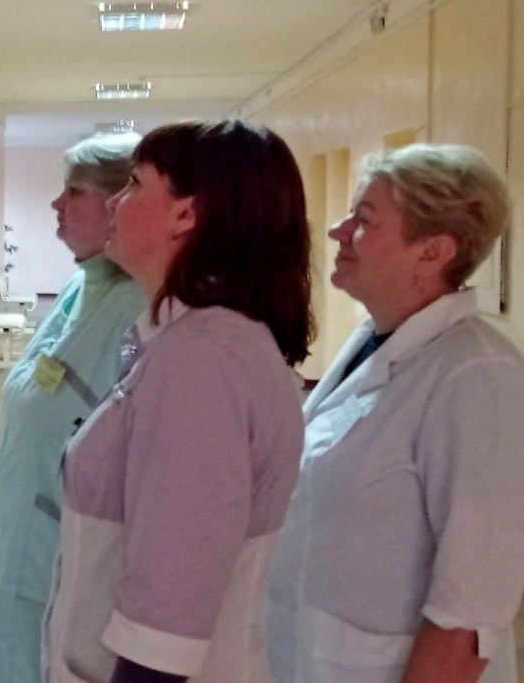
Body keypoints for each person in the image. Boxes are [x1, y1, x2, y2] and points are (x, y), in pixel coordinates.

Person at [43, 119, 314, 683]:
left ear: (187, 214)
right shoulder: (193, 341)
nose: (115, 202)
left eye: (135, 184)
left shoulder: (203, 359)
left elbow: (163, 630)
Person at [265, 143, 524, 683]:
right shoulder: (374, 342)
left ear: (433, 252)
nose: (337, 231)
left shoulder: (479, 377)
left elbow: (471, 610)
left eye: (363, 220)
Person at [0, 133, 146, 682]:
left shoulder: (139, 311)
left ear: (119, 205)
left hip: (59, 559)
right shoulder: (79, 287)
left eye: (75, 191)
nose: (56, 203)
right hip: (13, 538)